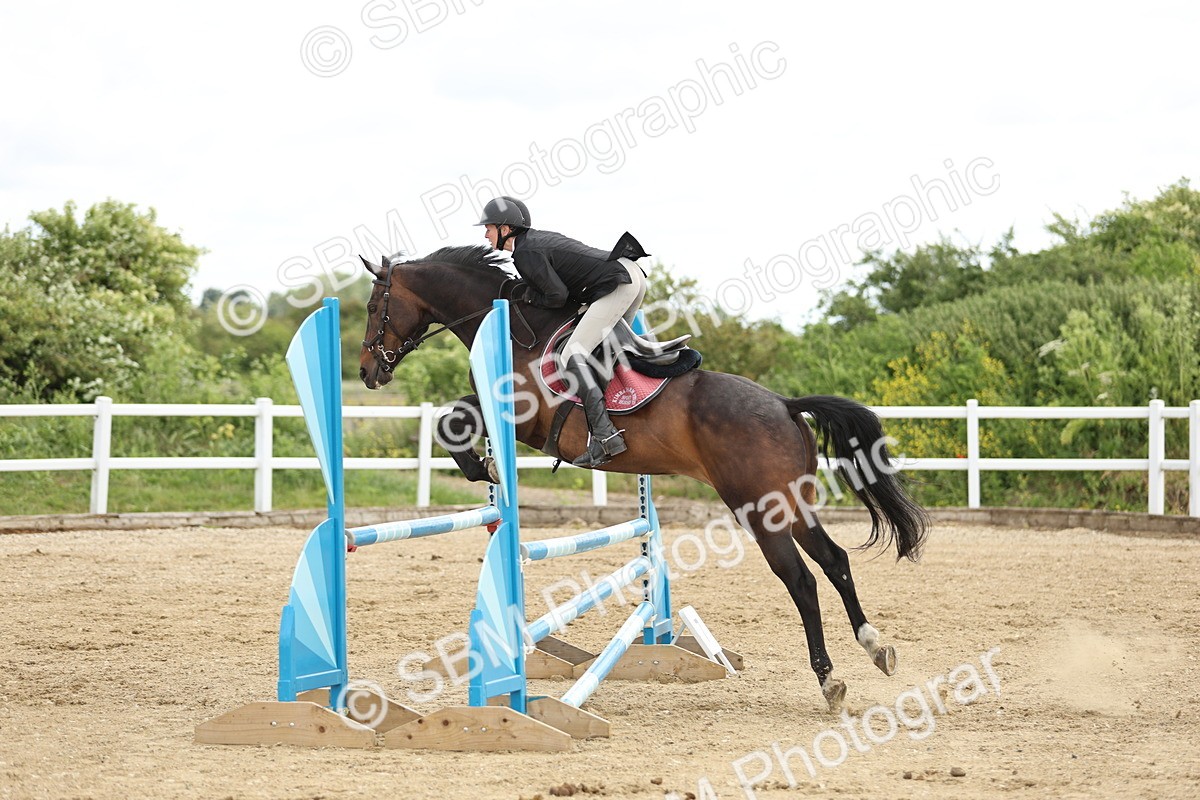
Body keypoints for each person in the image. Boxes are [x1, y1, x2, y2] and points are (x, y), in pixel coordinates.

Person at [477, 196, 649, 468]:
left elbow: (557, 296)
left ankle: (605, 437)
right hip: (632, 274)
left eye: (489, 227)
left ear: (506, 229)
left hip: (618, 283)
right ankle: (610, 420)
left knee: (572, 356)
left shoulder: (524, 253)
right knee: (603, 349)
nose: (485, 234)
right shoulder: (534, 242)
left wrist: (532, 298)